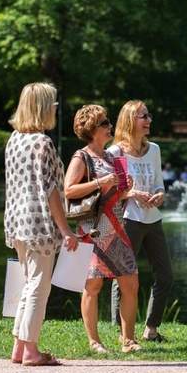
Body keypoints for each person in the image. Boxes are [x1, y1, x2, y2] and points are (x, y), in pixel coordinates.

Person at [4, 82, 79, 367]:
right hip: (39, 224)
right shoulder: (42, 143)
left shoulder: (14, 140)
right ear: (43, 107)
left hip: (17, 220)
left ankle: (19, 347)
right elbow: (50, 192)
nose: (57, 108)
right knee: (38, 286)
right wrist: (66, 231)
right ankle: (31, 351)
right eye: (53, 103)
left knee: (28, 283)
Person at [64, 104, 141, 354]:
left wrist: (126, 188)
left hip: (117, 227)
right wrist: (100, 181)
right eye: (105, 123)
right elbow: (68, 190)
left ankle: (128, 339)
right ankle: (94, 341)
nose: (110, 126)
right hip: (92, 230)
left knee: (131, 283)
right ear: (92, 130)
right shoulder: (81, 157)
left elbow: (118, 195)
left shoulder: (112, 157)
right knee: (93, 286)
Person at [108, 100, 174, 343]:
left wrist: (159, 194)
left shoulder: (154, 149)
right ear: (129, 120)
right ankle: (122, 332)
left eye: (148, 115)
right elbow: (109, 191)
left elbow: (158, 182)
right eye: (143, 116)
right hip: (128, 219)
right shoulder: (115, 153)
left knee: (165, 275)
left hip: (153, 219)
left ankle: (151, 328)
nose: (148, 120)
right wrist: (132, 194)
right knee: (123, 275)